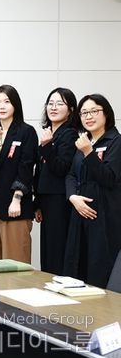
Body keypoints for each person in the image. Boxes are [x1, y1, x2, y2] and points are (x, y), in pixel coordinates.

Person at [64, 94, 121, 287]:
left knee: (99, 270)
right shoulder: (83, 141)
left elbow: (109, 178)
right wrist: (73, 197)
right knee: (76, 267)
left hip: (104, 216)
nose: (88, 117)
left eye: (94, 111)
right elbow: (71, 175)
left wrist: (89, 152)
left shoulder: (116, 141)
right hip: (79, 213)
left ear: (106, 113)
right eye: (84, 113)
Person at [0, 84, 38, 263]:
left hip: (14, 203)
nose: (1, 106)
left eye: (6, 101)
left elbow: (26, 167)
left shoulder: (26, 131)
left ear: (15, 105)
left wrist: (17, 198)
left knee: (15, 259)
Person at [33, 88, 77, 274]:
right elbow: (40, 171)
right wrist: (37, 203)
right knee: (47, 250)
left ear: (71, 110)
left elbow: (61, 168)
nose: (53, 107)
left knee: (57, 249)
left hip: (59, 199)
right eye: (50, 103)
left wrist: (46, 146)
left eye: (60, 104)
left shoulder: (70, 134)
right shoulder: (50, 132)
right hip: (46, 199)